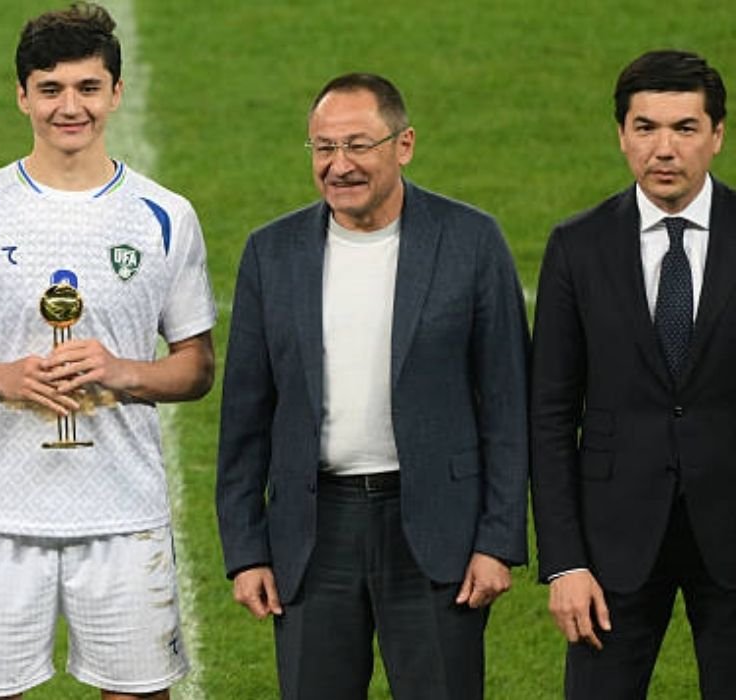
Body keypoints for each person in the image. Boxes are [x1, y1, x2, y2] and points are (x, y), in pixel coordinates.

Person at [0, 4, 215, 699]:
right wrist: (1, 378)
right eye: (50, 89)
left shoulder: (165, 216)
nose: (70, 107)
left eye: (87, 88)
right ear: (22, 96)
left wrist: (123, 372)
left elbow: (196, 366)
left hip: (125, 514)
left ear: (116, 92)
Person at [215, 73, 529, 699]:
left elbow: (508, 403)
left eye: (358, 145)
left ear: (403, 145)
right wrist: (247, 550)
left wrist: (497, 541)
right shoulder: (271, 253)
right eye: (324, 148)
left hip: (437, 531)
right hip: (314, 535)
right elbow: (245, 415)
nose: (340, 165)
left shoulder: (471, 241)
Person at [531, 49, 734, 699]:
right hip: (611, 544)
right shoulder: (577, 245)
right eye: (646, 127)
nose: (663, 149)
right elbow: (549, 415)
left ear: (717, 135)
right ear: (622, 135)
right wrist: (564, 562)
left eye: (684, 128)